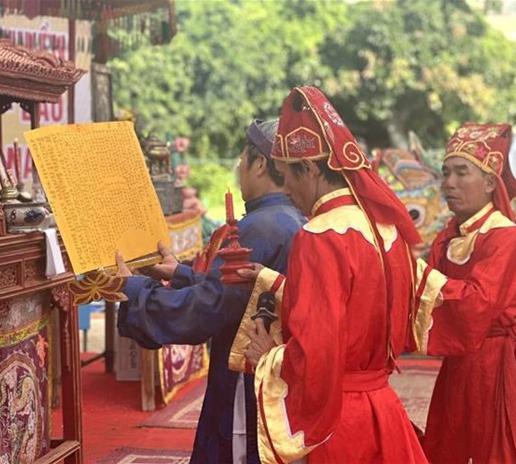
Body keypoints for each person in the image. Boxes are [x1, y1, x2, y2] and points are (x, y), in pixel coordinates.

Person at [238, 86, 427, 464]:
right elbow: (360, 302)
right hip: (381, 407)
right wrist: (276, 282)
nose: (286, 189)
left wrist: (269, 358)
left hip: (340, 423)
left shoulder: (319, 236)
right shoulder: (384, 228)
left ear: (309, 169)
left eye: (286, 175)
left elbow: (317, 354)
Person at [115, 119, 305, 464]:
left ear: (260, 164)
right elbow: (244, 294)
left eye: (241, 159)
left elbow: (210, 308)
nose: (236, 167)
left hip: (248, 378)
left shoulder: (260, 226)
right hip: (279, 373)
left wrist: (135, 289)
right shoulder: (290, 217)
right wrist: (182, 274)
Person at [413, 123, 516, 464]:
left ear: (489, 183)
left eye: (461, 172)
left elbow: (474, 305)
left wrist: (414, 274)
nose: (448, 183)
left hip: (500, 365)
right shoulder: (447, 236)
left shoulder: (504, 238)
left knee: (496, 451)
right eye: (445, 173)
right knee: (451, 444)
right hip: (462, 359)